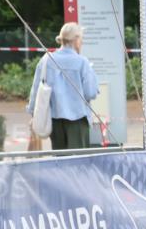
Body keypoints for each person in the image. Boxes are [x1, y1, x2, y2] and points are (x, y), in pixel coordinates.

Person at [27, 22, 100, 150]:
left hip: (54, 120)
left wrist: (33, 113)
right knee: (78, 163)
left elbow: (35, 91)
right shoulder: (82, 62)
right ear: (76, 40)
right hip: (78, 120)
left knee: (60, 162)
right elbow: (90, 93)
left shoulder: (46, 60)